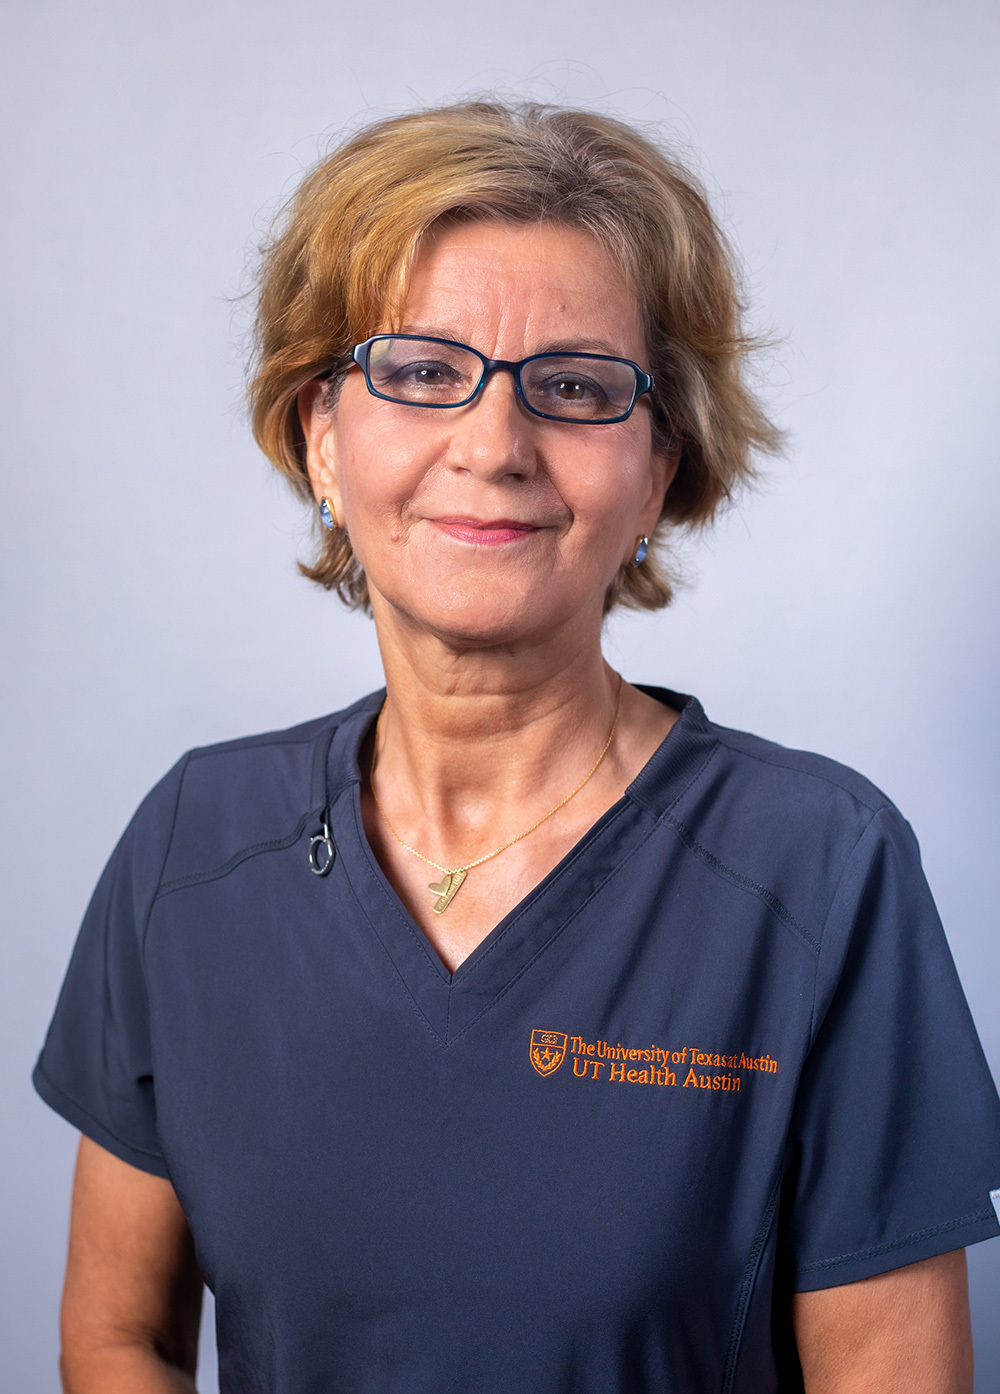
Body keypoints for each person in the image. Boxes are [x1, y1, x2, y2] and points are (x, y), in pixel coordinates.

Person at [34, 100, 1000, 1394]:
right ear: (322, 433)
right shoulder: (193, 848)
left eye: (576, 387)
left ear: (659, 469)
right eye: (421, 370)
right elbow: (118, 1338)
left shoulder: (822, 870)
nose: (493, 444)